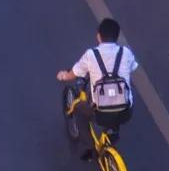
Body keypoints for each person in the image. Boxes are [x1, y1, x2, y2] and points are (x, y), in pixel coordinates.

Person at [57, 18, 138, 155]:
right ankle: (113, 131)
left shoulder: (91, 55)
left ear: (98, 36)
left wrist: (63, 75)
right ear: (117, 37)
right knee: (120, 100)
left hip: (101, 114)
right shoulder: (126, 53)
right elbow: (133, 67)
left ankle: (91, 147)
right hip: (126, 112)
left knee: (78, 109)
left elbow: (74, 74)